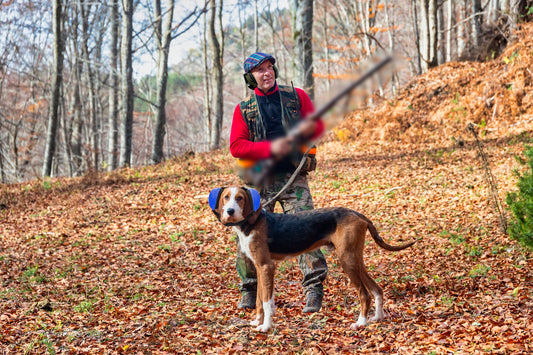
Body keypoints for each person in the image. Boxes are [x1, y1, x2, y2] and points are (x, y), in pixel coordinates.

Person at [229, 52, 328, 313]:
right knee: (249, 235)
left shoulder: (296, 97)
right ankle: (249, 289)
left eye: (269, 67)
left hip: (293, 177)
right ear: (251, 78)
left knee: (309, 228)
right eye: (260, 70)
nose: (266, 73)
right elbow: (236, 146)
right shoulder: (244, 109)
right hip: (258, 182)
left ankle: (314, 290)